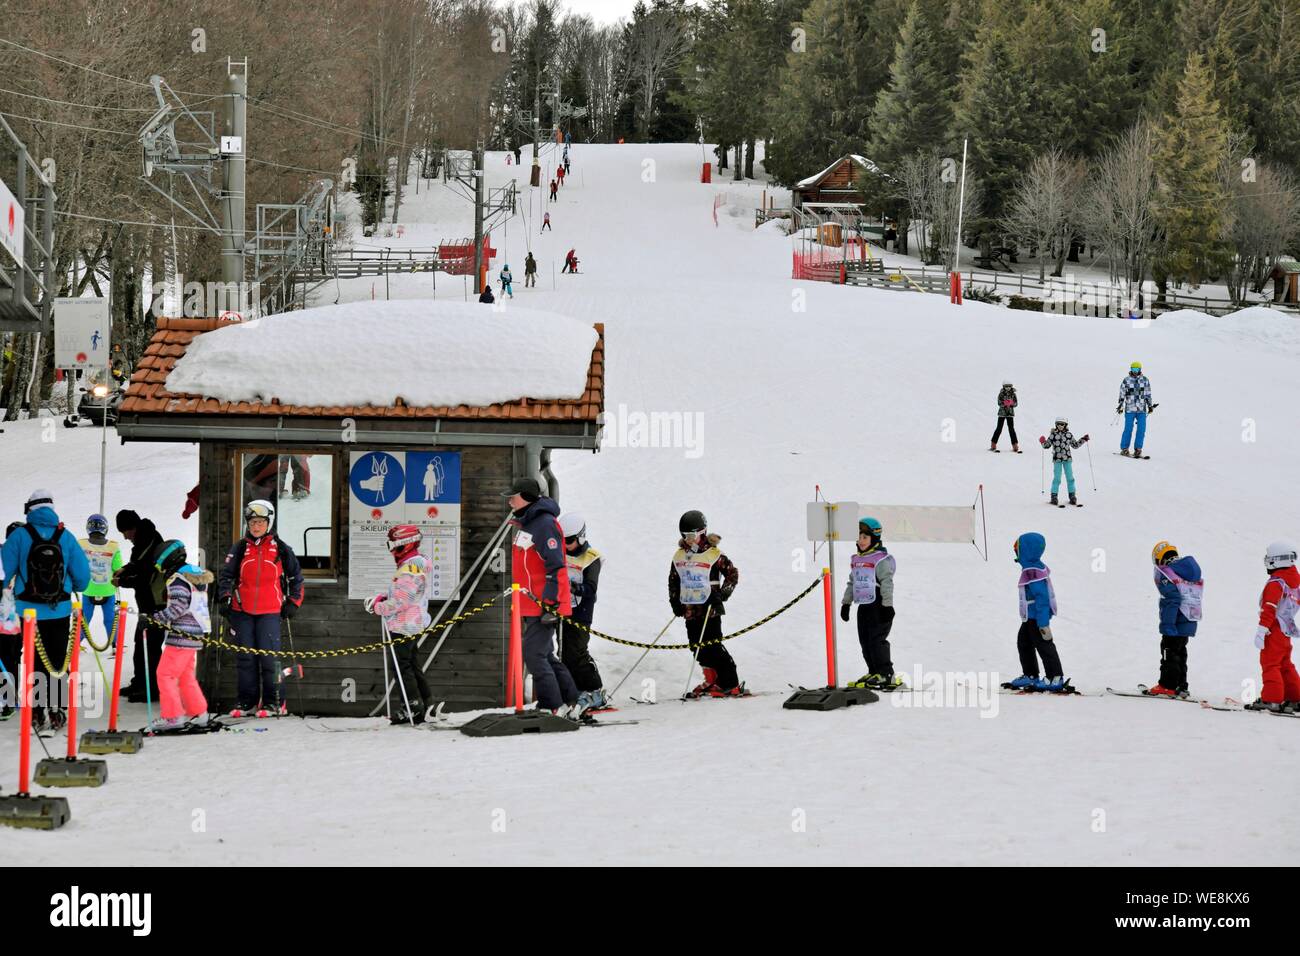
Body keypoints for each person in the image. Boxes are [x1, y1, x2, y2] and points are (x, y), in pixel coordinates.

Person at [1, 490, 91, 729]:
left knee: (35, 660)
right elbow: (83, 578)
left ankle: (37, 710)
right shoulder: (66, 536)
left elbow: (3, 573)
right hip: (60, 608)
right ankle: (58, 708)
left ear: (29, 509)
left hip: (28, 612)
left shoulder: (19, 536)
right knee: (59, 659)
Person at [216, 500, 304, 716]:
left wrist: (293, 602)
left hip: (270, 612)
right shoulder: (239, 548)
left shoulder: (281, 548)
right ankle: (247, 701)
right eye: (252, 522)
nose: (256, 526)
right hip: (242, 612)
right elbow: (226, 577)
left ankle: (275, 701)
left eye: (261, 522)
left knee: (270, 658)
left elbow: (296, 578)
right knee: (246, 658)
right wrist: (225, 597)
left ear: (269, 522)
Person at [505, 477, 580, 715]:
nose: (509, 501)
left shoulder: (544, 524)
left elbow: (556, 566)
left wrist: (550, 604)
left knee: (534, 654)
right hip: (530, 602)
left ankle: (550, 705)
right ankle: (571, 701)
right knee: (545, 653)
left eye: (512, 496)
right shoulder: (527, 524)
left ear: (525, 497)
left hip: (544, 602)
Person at [670, 510, 744, 697]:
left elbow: (732, 574)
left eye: (691, 535)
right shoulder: (679, 556)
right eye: (684, 536)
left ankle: (730, 683)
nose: (688, 539)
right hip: (690, 609)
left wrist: (722, 595)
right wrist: (675, 601)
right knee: (696, 648)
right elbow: (673, 580)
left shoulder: (714, 555)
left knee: (713, 646)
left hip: (710, 609)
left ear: (702, 533)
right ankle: (711, 680)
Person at [365, 524, 433, 725]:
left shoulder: (410, 567)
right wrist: (384, 597)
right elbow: (406, 594)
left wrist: (377, 608)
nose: (392, 550)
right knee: (411, 664)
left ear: (405, 543)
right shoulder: (415, 564)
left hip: (403, 624)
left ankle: (412, 707)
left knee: (402, 667)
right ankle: (425, 705)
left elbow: (402, 601)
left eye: (393, 544)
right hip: (413, 621)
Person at [147, 541, 212, 731]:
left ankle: (173, 717)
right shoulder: (194, 576)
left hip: (181, 635)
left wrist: (154, 619)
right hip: (195, 633)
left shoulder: (178, 579)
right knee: (185, 676)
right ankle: (199, 712)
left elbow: (178, 607)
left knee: (165, 674)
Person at [839, 516, 900, 690]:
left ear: (874, 538)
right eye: (858, 537)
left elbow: (887, 583)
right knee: (865, 640)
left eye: (865, 537)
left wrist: (887, 606)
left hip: (879, 606)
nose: (861, 541)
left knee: (876, 639)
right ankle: (874, 671)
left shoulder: (881, 559)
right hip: (864, 606)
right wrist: (846, 603)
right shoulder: (857, 559)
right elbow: (853, 582)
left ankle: (886, 674)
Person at [113, 509, 165, 701]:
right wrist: (125, 569)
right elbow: (137, 564)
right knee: (140, 643)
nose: (125, 538)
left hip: (155, 603)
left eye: (124, 532)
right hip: (148, 603)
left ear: (131, 528)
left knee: (150, 646)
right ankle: (140, 682)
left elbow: (144, 576)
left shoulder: (148, 540)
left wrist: (122, 582)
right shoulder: (144, 539)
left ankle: (151, 688)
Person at [558, 512, 606, 712]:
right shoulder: (559, 553)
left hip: (581, 610)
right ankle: (575, 689)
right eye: (561, 540)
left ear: (581, 536)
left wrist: (573, 587)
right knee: (563, 651)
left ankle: (595, 690)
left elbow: (591, 588)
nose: (565, 544)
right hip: (562, 607)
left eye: (568, 540)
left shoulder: (591, 558)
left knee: (577, 652)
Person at [1008, 532, 1068, 692]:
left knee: (1044, 645)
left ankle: (1055, 677)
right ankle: (1031, 674)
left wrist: (1043, 624)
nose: (1015, 552)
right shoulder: (1030, 569)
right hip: (1029, 618)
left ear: (1027, 551)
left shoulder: (1034, 573)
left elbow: (1042, 599)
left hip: (1037, 619)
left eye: (1017, 549)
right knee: (1024, 643)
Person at [1248, 541, 1300, 712]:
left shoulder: (1276, 583)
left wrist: (1262, 630)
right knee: (1285, 664)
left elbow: (1269, 608)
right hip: (1286, 629)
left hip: (1274, 629)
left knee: (1270, 663)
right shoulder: (1293, 582)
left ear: (1276, 560)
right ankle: (1295, 698)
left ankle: (1271, 699)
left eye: (1269, 558)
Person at [1146, 541, 1202, 698]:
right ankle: (1181, 686)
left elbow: (1172, 599)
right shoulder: (1186, 570)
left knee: (1168, 651)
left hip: (1175, 621)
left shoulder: (1167, 574)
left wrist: (1168, 624)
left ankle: (1167, 685)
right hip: (1189, 619)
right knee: (1180, 652)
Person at [78, 514, 123, 654]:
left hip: (88, 589)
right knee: (110, 619)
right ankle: (115, 644)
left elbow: (77, 564)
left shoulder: (82, 544)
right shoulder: (113, 547)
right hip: (108, 589)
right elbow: (118, 568)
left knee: (84, 618)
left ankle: (76, 643)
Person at [1039, 415, 1089, 507]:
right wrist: (1043, 442)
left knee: (1070, 478)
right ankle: (1054, 496)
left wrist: (1083, 439)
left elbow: (1075, 445)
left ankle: (1072, 496)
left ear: (1065, 425)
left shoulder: (1069, 435)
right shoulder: (1053, 435)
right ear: (1056, 425)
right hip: (1057, 460)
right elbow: (1047, 445)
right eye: (1058, 424)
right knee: (1057, 479)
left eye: (1062, 424)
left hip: (1067, 459)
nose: (1060, 426)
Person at [1117, 360, 1153, 457]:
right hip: (1130, 409)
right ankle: (1124, 448)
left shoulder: (1145, 380)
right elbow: (1122, 393)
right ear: (1131, 369)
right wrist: (1120, 405)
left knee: (1141, 429)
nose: (1135, 371)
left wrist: (1150, 405)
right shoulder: (1126, 380)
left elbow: (1148, 394)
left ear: (1140, 369)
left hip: (1141, 409)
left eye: (1137, 369)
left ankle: (1138, 449)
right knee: (1128, 428)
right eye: (1133, 369)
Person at [990, 381, 1020, 453]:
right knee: (999, 428)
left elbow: (1016, 403)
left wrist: (1012, 403)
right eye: (1006, 386)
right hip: (1002, 413)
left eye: (1009, 386)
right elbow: (999, 402)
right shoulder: (1001, 394)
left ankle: (1015, 445)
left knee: (1011, 429)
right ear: (1004, 387)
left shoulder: (1013, 394)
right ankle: (993, 444)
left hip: (1010, 414)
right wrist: (1004, 403)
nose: (1008, 388)